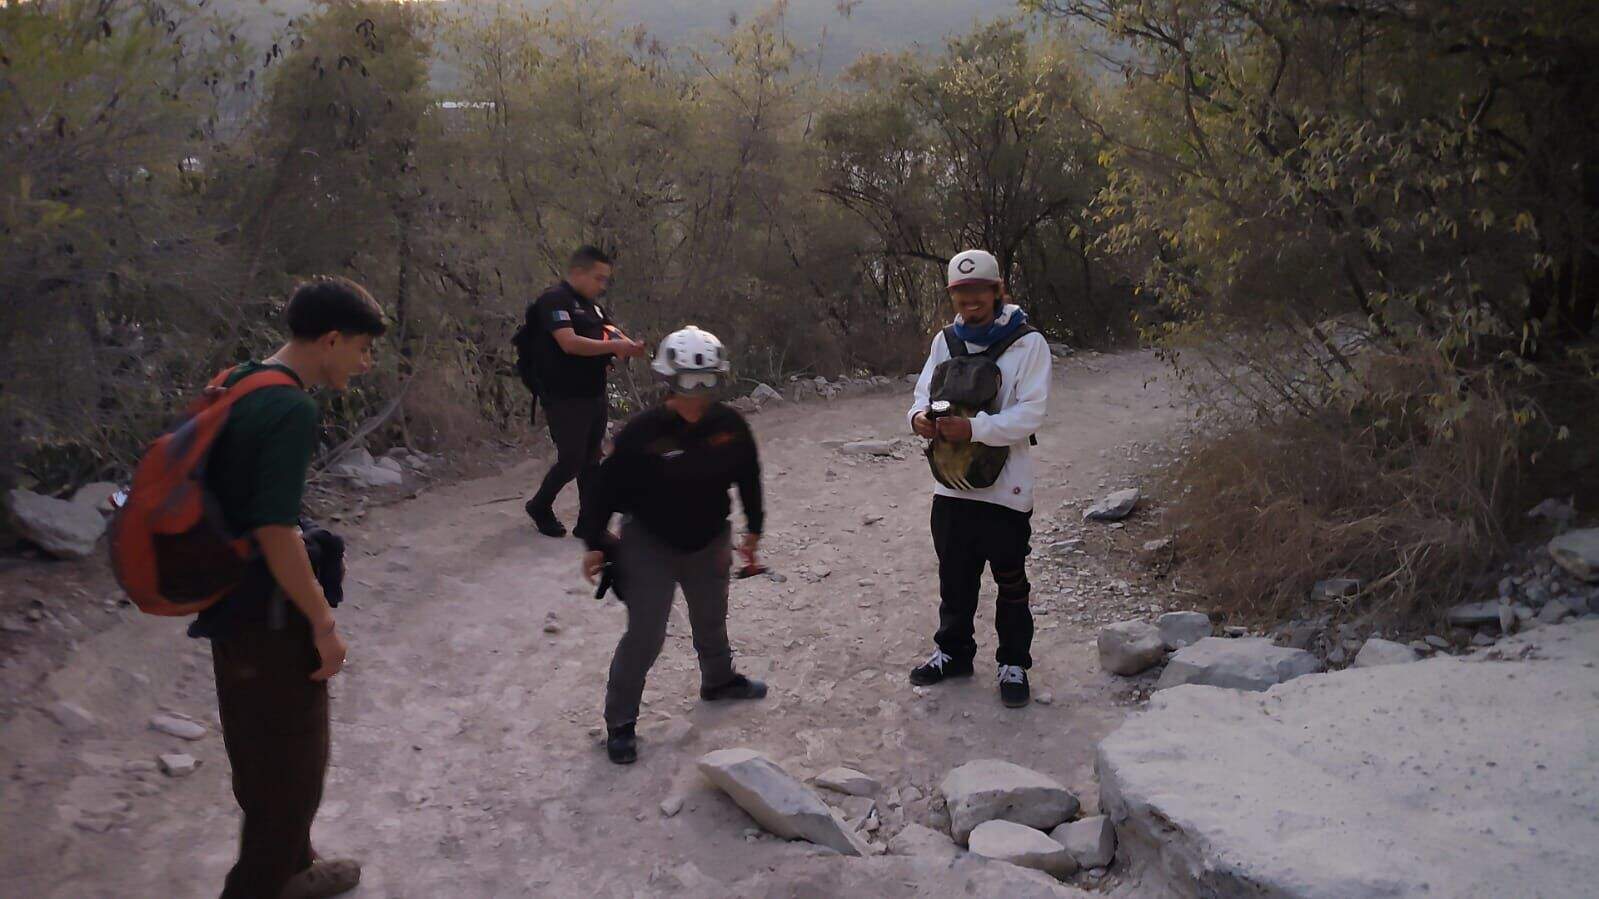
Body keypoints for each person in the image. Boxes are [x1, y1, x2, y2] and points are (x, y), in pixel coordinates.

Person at [188, 276, 386, 898]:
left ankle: (295, 868)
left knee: (261, 756)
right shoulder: (291, 408)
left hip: (227, 602)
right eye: (362, 348)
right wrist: (324, 625)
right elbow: (276, 532)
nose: (365, 362)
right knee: (293, 770)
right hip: (267, 615)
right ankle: (259, 886)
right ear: (331, 340)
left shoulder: (242, 379)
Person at [576, 326, 769, 765]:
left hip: (709, 539)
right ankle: (620, 723)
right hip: (649, 544)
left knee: (711, 617)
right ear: (669, 379)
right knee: (646, 634)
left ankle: (718, 681)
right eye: (687, 382)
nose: (696, 394)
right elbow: (604, 489)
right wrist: (594, 542)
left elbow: (749, 477)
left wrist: (754, 530)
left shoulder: (730, 427)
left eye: (706, 382)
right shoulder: (642, 432)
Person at [906, 249, 1051, 708]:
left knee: (1011, 582)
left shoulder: (1029, 344)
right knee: (955, 579)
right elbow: (920, 395)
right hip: (950, 484)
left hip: (1007, 490)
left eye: (979, 291)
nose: (970, 300)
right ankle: (953, 653)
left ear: (996, 290)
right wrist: (918, 420)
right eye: (961, 292)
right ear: (953, 296)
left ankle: (1014, 663)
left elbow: (1031, 414)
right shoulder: (945, 341)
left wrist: (974, 429)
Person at [522, 246, 647, 538]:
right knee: (572, 459)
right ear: (578, 272)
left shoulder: (593, 307)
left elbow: (611, 332)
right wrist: (614, 346)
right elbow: (569, 343)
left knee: (592, 458)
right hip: (563, 395)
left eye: (606, 280)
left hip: (593, 391)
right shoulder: (554, 300)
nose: (602, 286)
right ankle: (540, 505)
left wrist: (629, 346)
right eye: (598, 278)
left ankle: (589, 522)